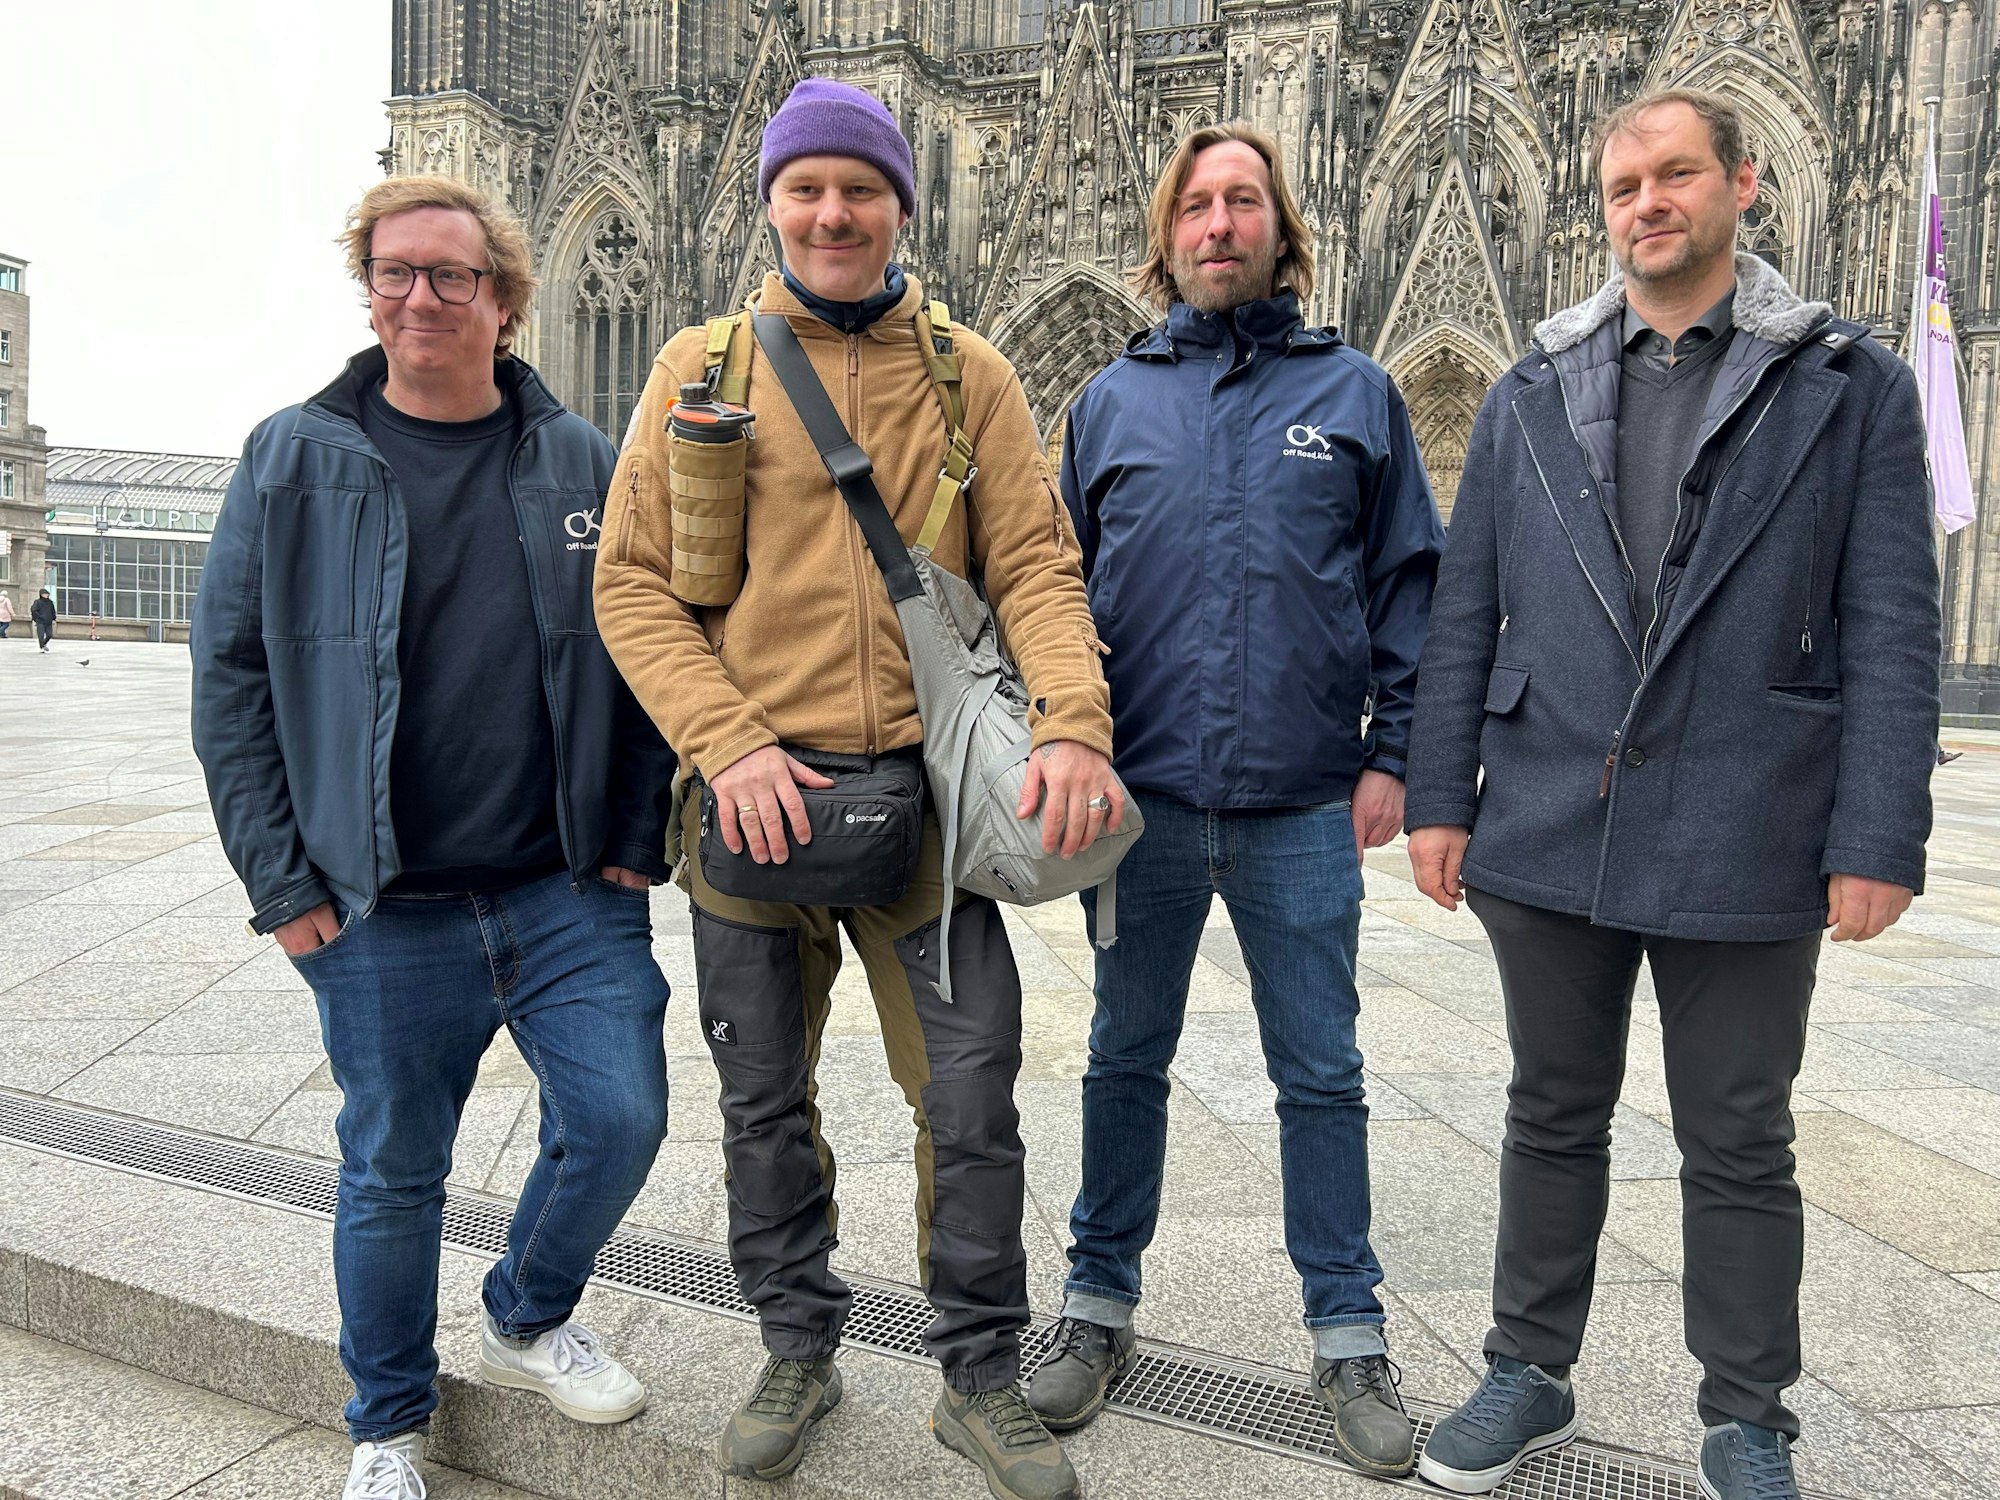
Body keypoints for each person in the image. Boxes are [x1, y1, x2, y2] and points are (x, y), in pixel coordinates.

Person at [1404, 89, 1941, 1500]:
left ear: (1741, 183)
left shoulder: (1849, 381)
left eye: (1678, 174)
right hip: (1548, 812)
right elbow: (1471, 612)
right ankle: (1527, 1369)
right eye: (1626, 182)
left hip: (1748, 812)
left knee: (1740, 1137)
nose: (1649, 201)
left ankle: (1747, 1414)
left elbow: (1891, 619)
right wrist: (1437, 796)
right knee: (1549, 1112)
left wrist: (1879, 831)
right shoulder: (1532, 390)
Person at [595, 78, 1118, 1500]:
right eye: (807, 187)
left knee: (972, 1093)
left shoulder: (972, 373)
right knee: (762, 1096)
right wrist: (730, 743)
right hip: (750, 809)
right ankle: (796, 1343)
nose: (833, 212)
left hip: (925, 815)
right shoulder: (700, 369)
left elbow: (1035, 567)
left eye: (860, 188)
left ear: (901, 203)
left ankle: (979, 1376)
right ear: (771, 202)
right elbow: (632, 587)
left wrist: (1072, 721)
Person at [190, 175, 677, 1500]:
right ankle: (389, 1422)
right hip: (383, 904)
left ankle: (525, 1310)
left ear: (506, 301)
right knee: (395, 1170)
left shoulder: (583, 458)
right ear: (369, 290)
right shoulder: (293, 456)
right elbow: (231, 679)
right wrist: (281, 880)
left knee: (625, 1113)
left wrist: (636, 828)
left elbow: (644, 652)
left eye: (451, 276)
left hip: (559, 888)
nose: (419, 296)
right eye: (395, 272)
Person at [1024, 122, 1441, 1480]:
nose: (1219, 222)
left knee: (1321, 1072)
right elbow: (1051, 595)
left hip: (1305, 804)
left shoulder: (1362, 394)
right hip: (1135, 804)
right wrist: (1061, 741)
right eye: (1197, 203)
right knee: (1120, 1059)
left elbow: (1408, 590)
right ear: (1170, 232)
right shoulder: (1105, 404)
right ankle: (1095, 1308)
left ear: (1280, 225)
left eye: (1242, 200)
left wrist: (1397, 756)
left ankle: (1347, 1329)